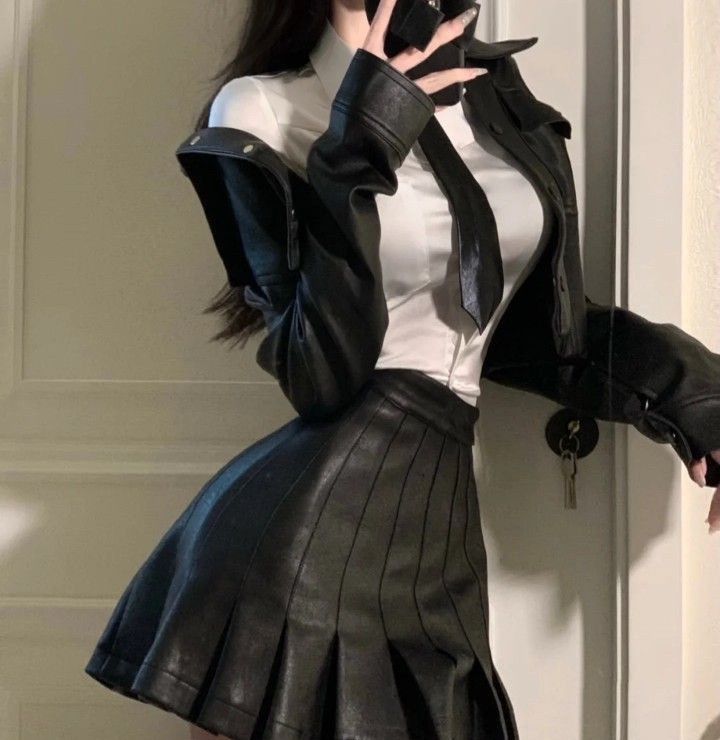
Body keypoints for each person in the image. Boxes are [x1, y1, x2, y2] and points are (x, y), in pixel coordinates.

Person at [84, 1, 720, 738]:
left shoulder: (491, 102)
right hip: (307, 539)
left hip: (437, 530)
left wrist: (700, 399)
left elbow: (550, 334)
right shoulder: (261, 108)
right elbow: (319, 373)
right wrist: (357, 146)